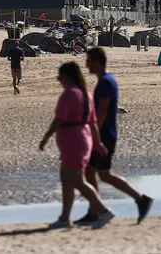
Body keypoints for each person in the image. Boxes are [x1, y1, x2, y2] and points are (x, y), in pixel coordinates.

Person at [75, 47, 153, 225]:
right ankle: (95, 210)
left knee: (102, 174)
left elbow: (101, 112)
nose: (86, 64)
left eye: (88, 61)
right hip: (104, 134)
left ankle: (138, 199)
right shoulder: (106, 80)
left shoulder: (105, 82)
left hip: (104, 135)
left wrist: (94, 137)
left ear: (96, 61)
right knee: (93, 172)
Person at [38, 62, 114, 229]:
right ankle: (64, 218)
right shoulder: (86, 94)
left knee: (77, 181)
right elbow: (93, 123)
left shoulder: (69, 94)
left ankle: (102, 210)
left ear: (66, 76)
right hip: (81, 138)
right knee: (66, 181)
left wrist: (45, 138)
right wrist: (97, 143)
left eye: (60, 78)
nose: (59, 81)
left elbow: (59, 119)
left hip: (74, 141)